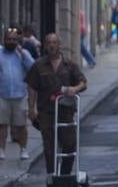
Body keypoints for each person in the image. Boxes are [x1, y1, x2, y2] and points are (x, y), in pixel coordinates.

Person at [26, 34, 88, 179]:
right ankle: (52, 176)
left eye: (54, 42)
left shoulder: (69, 65)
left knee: (69, 142)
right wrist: (31, 109)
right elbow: (32, 87)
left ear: (59, 45)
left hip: (65, 110)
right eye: (49, 43)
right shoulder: (38, 66)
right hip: (46, 111)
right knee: (49, 145)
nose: (52, 46)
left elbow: (83, 83)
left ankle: (65, 174)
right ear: (45, 46)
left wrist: (74, 89)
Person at [0, 28, 36, 163]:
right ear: (4, 40)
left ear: (18, 41)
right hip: (2, 95)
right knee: (2, 124)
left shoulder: (23, 54)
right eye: (9, 39)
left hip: (20, 95)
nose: (11, 42)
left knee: (21, 125)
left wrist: (22, 54)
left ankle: (23, 150)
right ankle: (1, 150)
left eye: (14, 39)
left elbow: (33, 68)